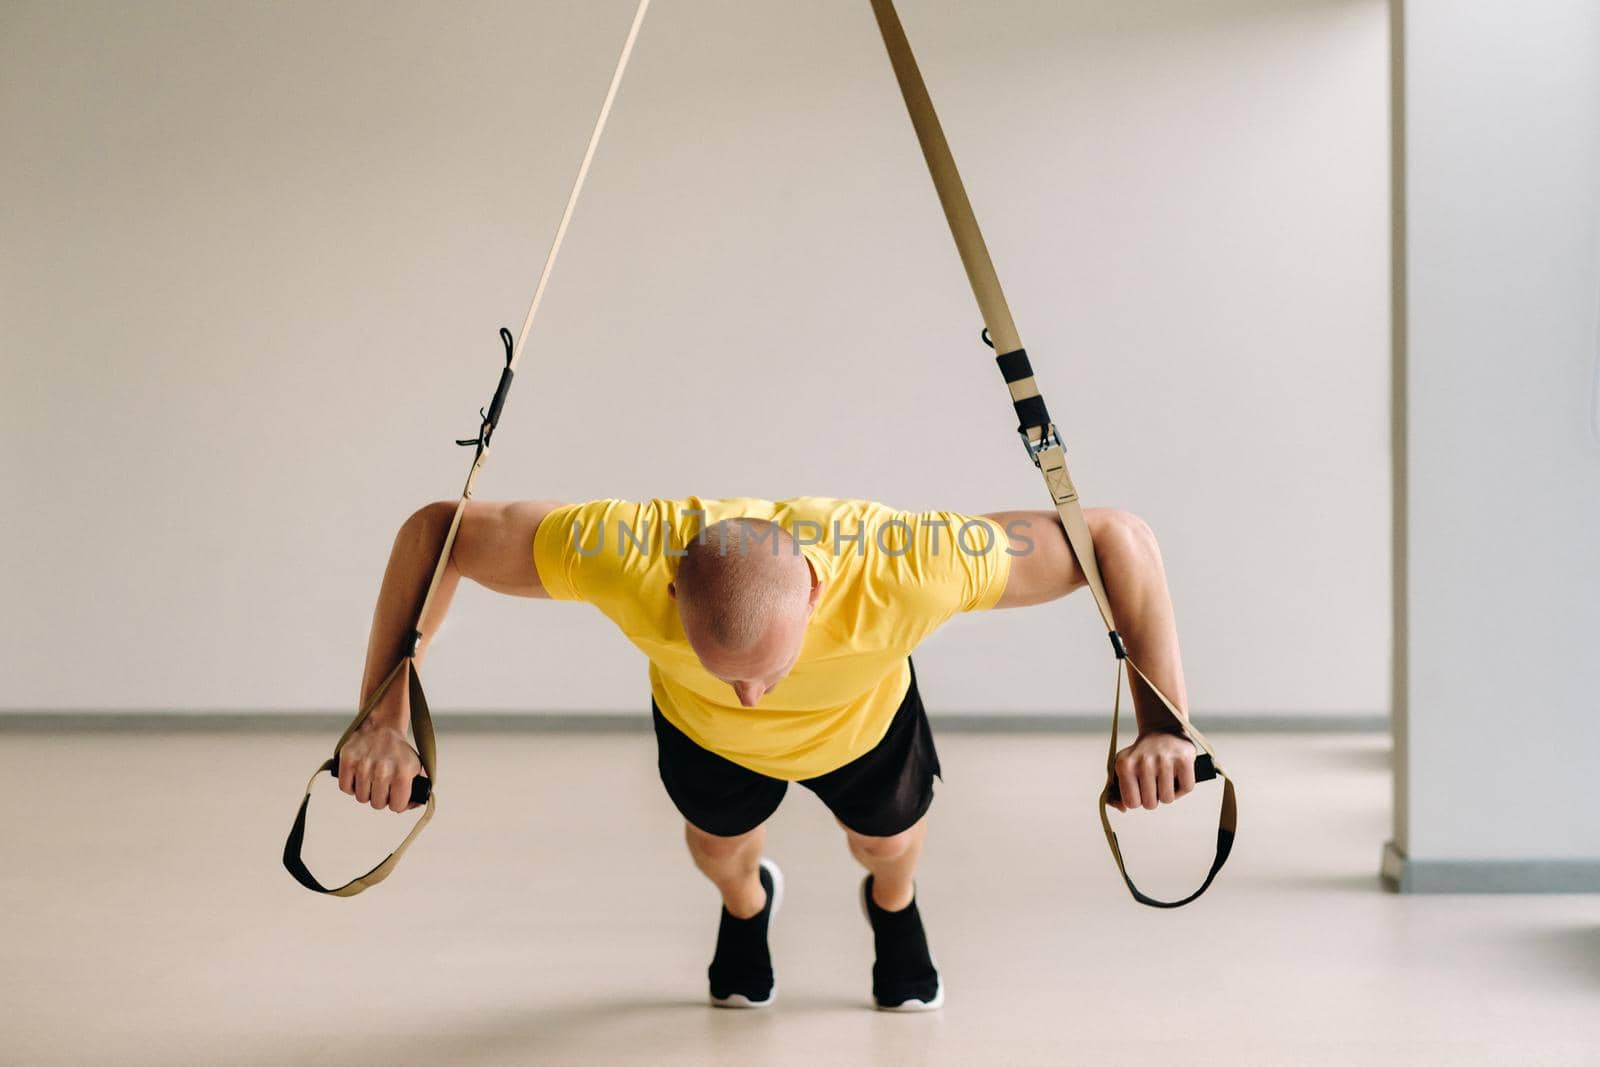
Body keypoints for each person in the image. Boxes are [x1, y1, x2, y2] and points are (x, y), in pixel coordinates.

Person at [337, 495, 1200, 1010]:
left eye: (769, 668)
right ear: (670, 588)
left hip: (863, 729)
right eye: (730, 669)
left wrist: (1163, 720)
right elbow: (439, 529)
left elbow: (1116, 536)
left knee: (887, 845)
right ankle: (749, 908)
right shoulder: (623, 550)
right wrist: (384, 713)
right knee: (718, 849)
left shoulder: (909, 563)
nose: (756, 692)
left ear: (820, 592)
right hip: (706, 738)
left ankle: (891, 907)